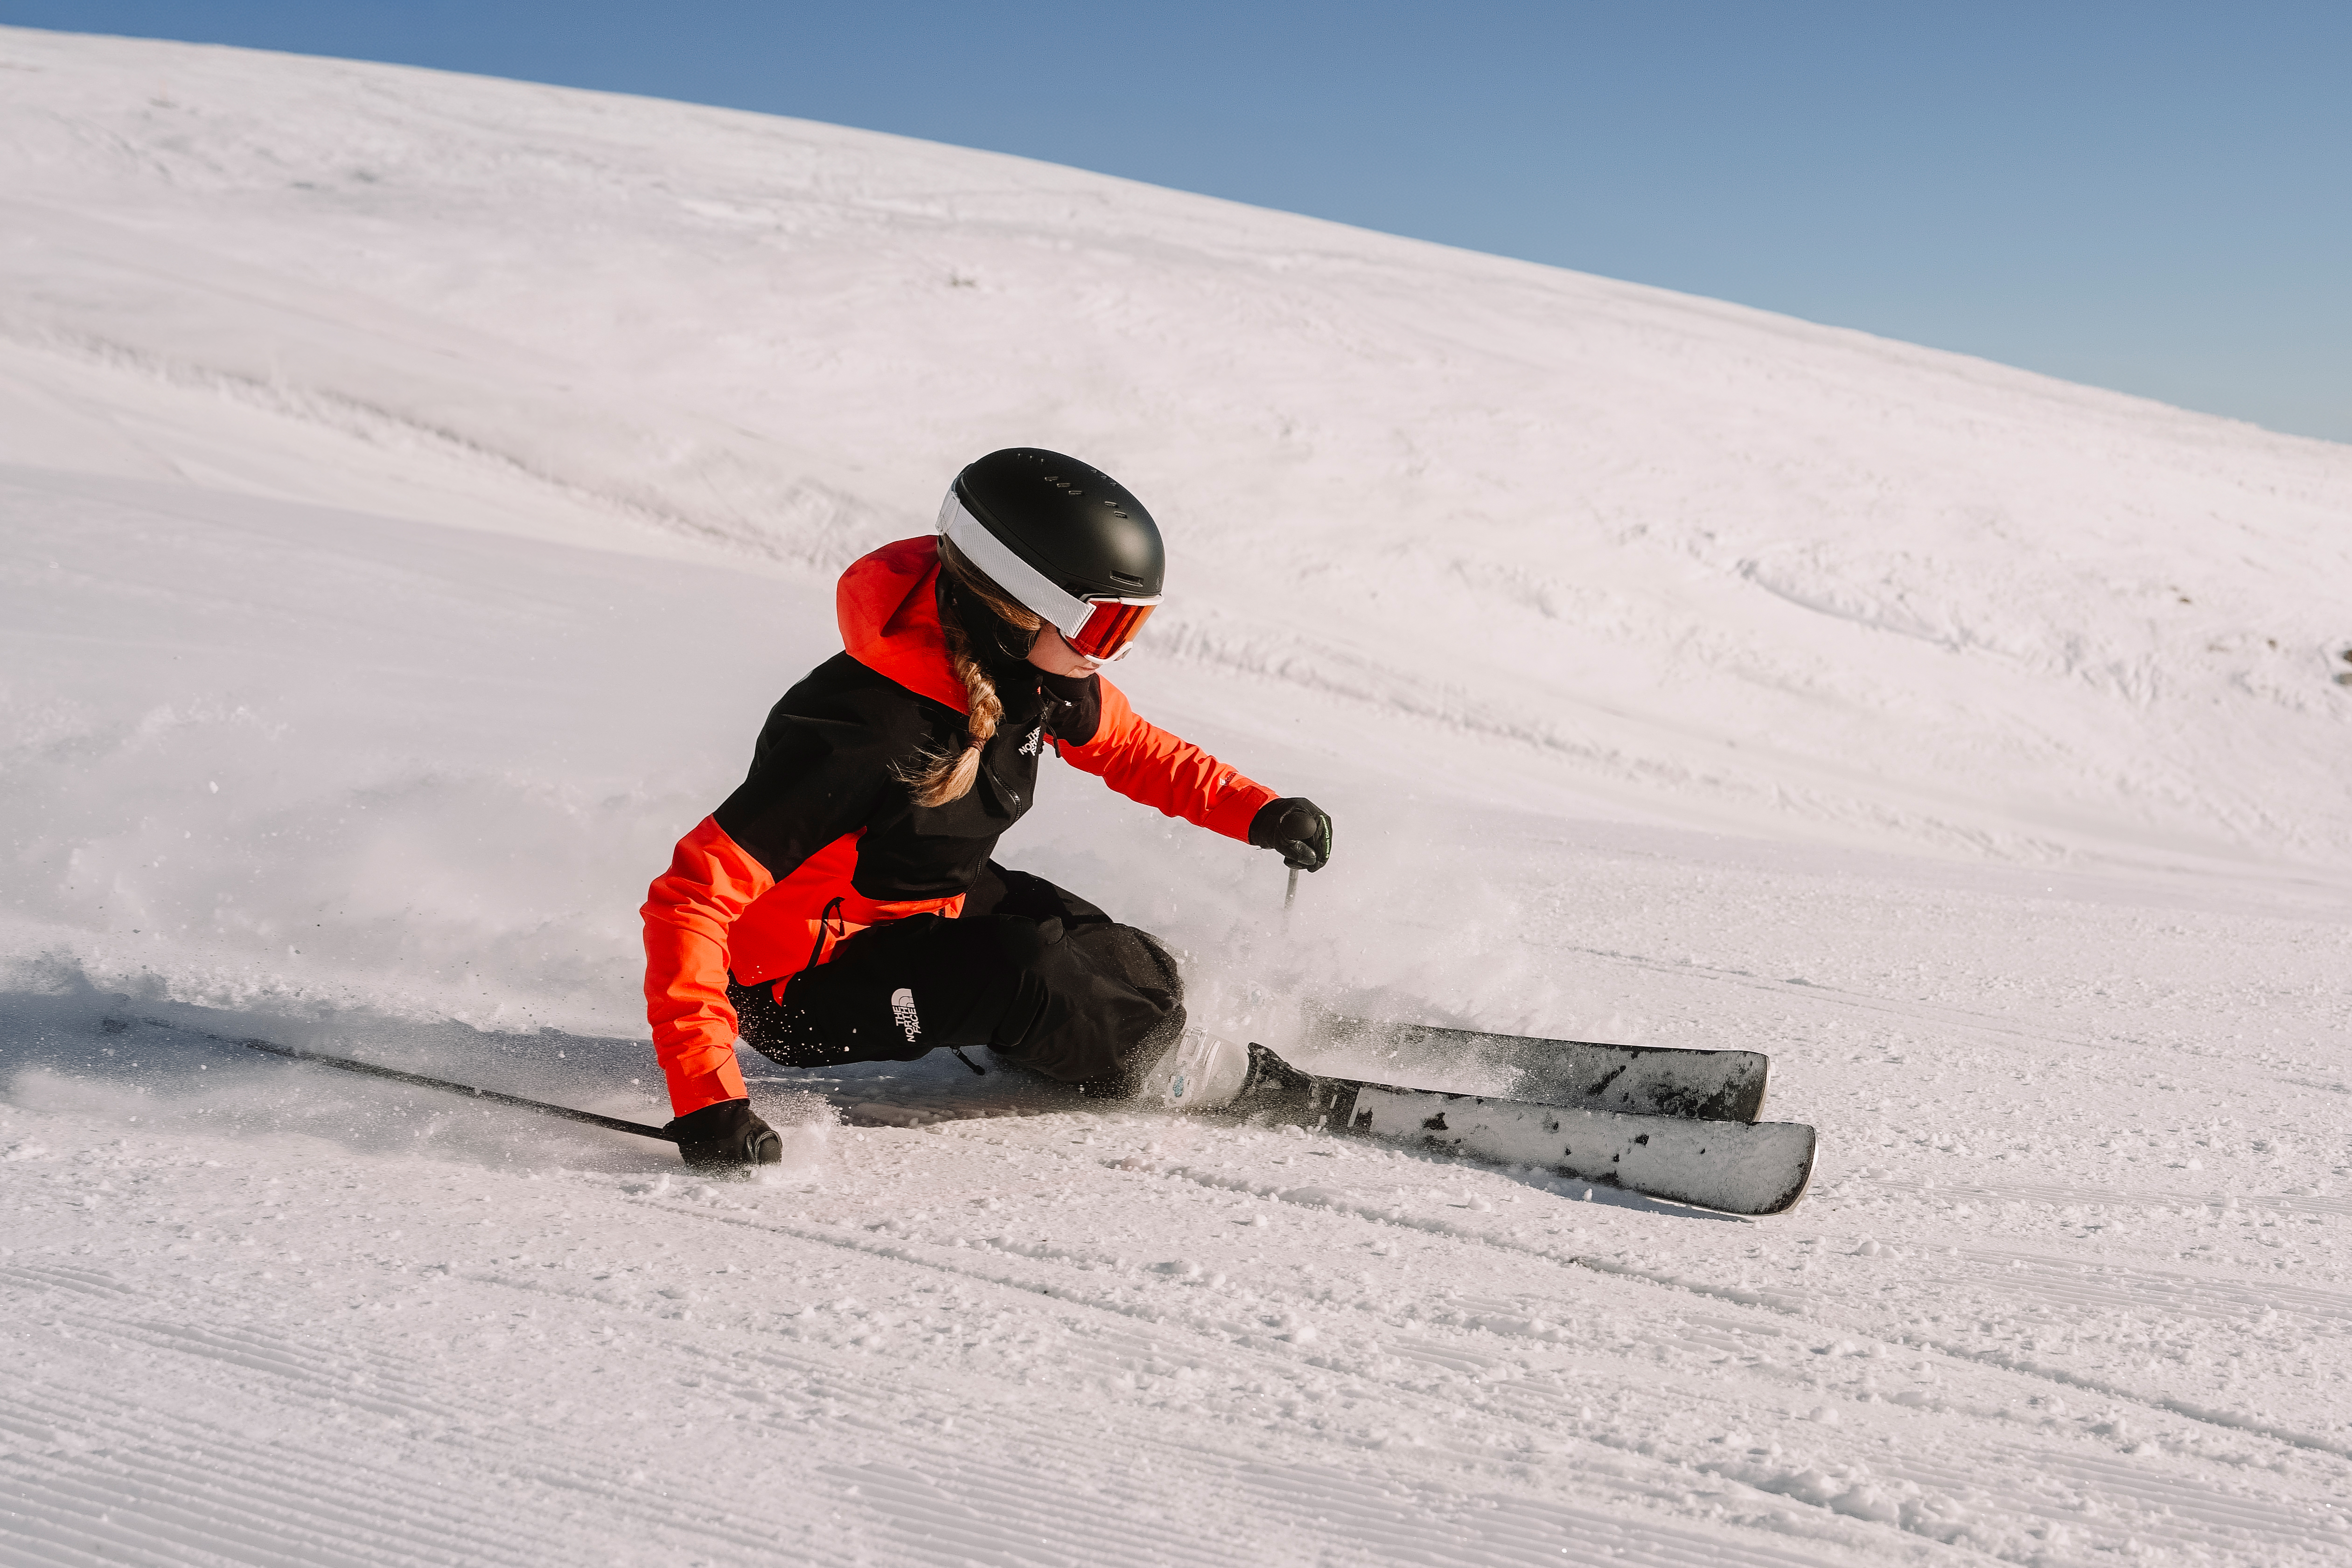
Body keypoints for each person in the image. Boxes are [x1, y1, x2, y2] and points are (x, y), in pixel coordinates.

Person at [641, 447, 1334, 1173]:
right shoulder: (864, 734)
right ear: (1013, 607)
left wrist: (1257, 811)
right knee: (1025, 970)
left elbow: (1130, 746)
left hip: (929, 906)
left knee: (1123, 962)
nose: (1108, 657)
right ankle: (1185, 1065)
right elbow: (688, 900)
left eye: (1127, 632)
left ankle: (1115, 1021)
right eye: (1102, 631)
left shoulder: (1036, 675)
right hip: (805, 987)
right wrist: (705, 1098)